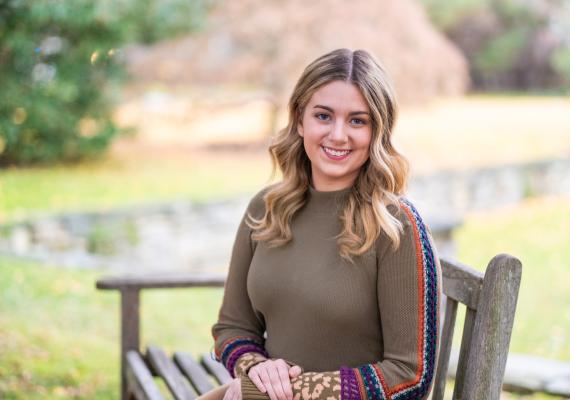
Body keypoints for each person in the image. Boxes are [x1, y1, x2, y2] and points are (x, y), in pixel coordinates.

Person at [200, 48, 442, 400]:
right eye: (324, 116)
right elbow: (234, 328)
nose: (338, 135)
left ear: (378, 131)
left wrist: (285, 392)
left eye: (358, 120)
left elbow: (409, 375)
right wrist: (257, 370)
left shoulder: (396, 227)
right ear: (300, 120)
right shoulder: (265, 209)